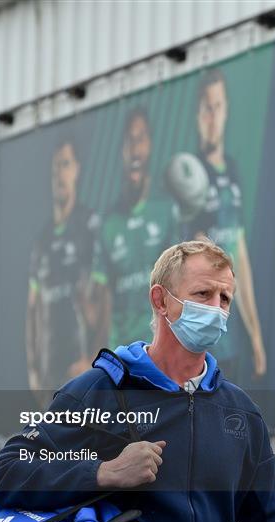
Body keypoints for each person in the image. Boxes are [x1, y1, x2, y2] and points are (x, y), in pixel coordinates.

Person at [0, 239, 275, 522]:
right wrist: (103, 472)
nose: (216, 309)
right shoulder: (98, 391)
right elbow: (5, 472)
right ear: (160, 300)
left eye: (225, 298)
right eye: (203, 294)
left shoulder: (240, 413)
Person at [179, 69, 267, 378]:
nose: (212, 117)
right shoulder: (190, 175)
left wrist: (256, 335)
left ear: (226, 110)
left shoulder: (232, 169)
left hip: (236, 339)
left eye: (217, 107)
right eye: (206, 108)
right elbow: (204, 259)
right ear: (197, 115)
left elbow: (239, 255)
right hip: (208, 344)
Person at [89, 107, 177, 350]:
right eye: (129, 140)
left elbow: (180, 284)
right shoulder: (108, 222)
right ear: (121, 151)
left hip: (160, 350)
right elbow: (102, 300)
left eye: (141, 139)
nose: (135, 149)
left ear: (150, 145)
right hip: (122, 354)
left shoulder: (167, 208)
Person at [26, 139, 99, 404]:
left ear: (77, 170)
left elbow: (103, 298)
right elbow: (32, 310)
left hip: (80, 370)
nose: (60, 174)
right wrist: (33, 369)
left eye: (66, 165)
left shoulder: (89, 226)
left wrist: (93, 357)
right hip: (49, 374)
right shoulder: (41, 241)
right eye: (56, 167)